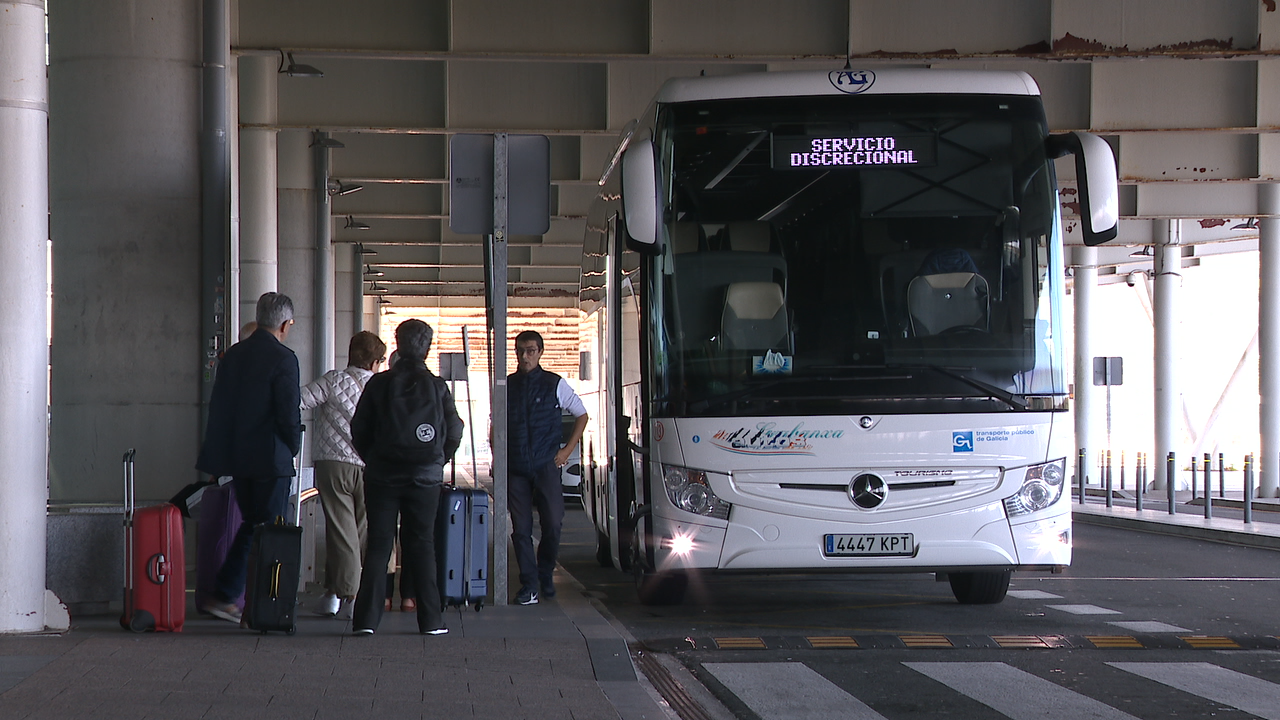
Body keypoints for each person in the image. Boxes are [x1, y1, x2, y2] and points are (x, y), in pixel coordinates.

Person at [349, 319, 463, 635]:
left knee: (379, 545)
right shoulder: (438, 387)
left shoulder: (379, 384)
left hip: (383, 476)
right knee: (422, 544)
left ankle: (366, 621)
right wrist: (437, 461)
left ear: (397, 344)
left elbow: (359, 429)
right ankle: (430, 620)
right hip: (425, 478)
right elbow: (454, 431)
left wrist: (372, 459)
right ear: (426, 348)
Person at [195, 292, 302, 623]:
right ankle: (246, 600)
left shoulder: (233, 357)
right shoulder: (284, 359)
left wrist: (217, 458)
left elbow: (220, 410)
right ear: (285, 324)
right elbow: (287, 412)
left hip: (239, 458)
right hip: (271, 460)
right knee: (266, 529)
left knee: (254, 525)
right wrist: (293, 444)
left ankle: (235, 596)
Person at [300, 330, 387, 620]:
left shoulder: (333, 379)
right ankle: (340, 594)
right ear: (375, 361)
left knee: (341, 532)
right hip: (371, 464)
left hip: (333, 464)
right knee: (359, 531)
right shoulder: (381, 387)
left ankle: (344, 595)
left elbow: (300, 400)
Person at [507, 330, 588, 605]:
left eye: (530, 351)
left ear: (540, 353)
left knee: (552, 522)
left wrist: (566, 451)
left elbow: (581, 414)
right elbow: (496, 424)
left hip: (545, 464)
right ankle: (529, 585)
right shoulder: (507, 386)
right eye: (520, 351)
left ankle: (544, 574)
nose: (524, 356)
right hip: (516, 466)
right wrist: (499, 457)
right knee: (520, 529)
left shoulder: (554, 384)